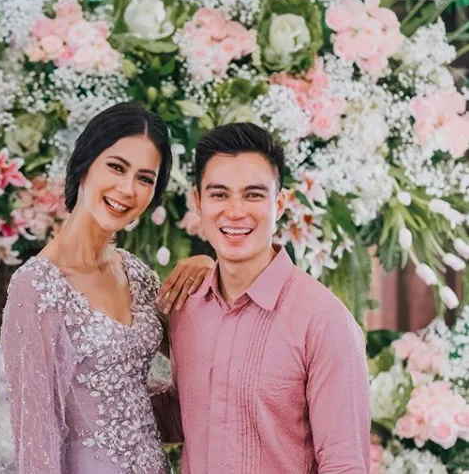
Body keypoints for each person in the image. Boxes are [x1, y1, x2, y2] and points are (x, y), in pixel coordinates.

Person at [0, 102, 213, 474]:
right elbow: (35, 444)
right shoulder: (38, 286)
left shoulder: (137, 274)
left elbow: (205, 364)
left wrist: (211, 269)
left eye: (145, 178)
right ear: (85, 164)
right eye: (117, 167)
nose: (127, 189)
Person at [153, 122, 371, 473]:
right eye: (219, 194)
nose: (235, 211)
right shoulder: (186, 306)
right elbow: (186, 416)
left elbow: (344, 464)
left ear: (279, 204)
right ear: (198, 202)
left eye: (253, 195)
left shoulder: (325, 322)